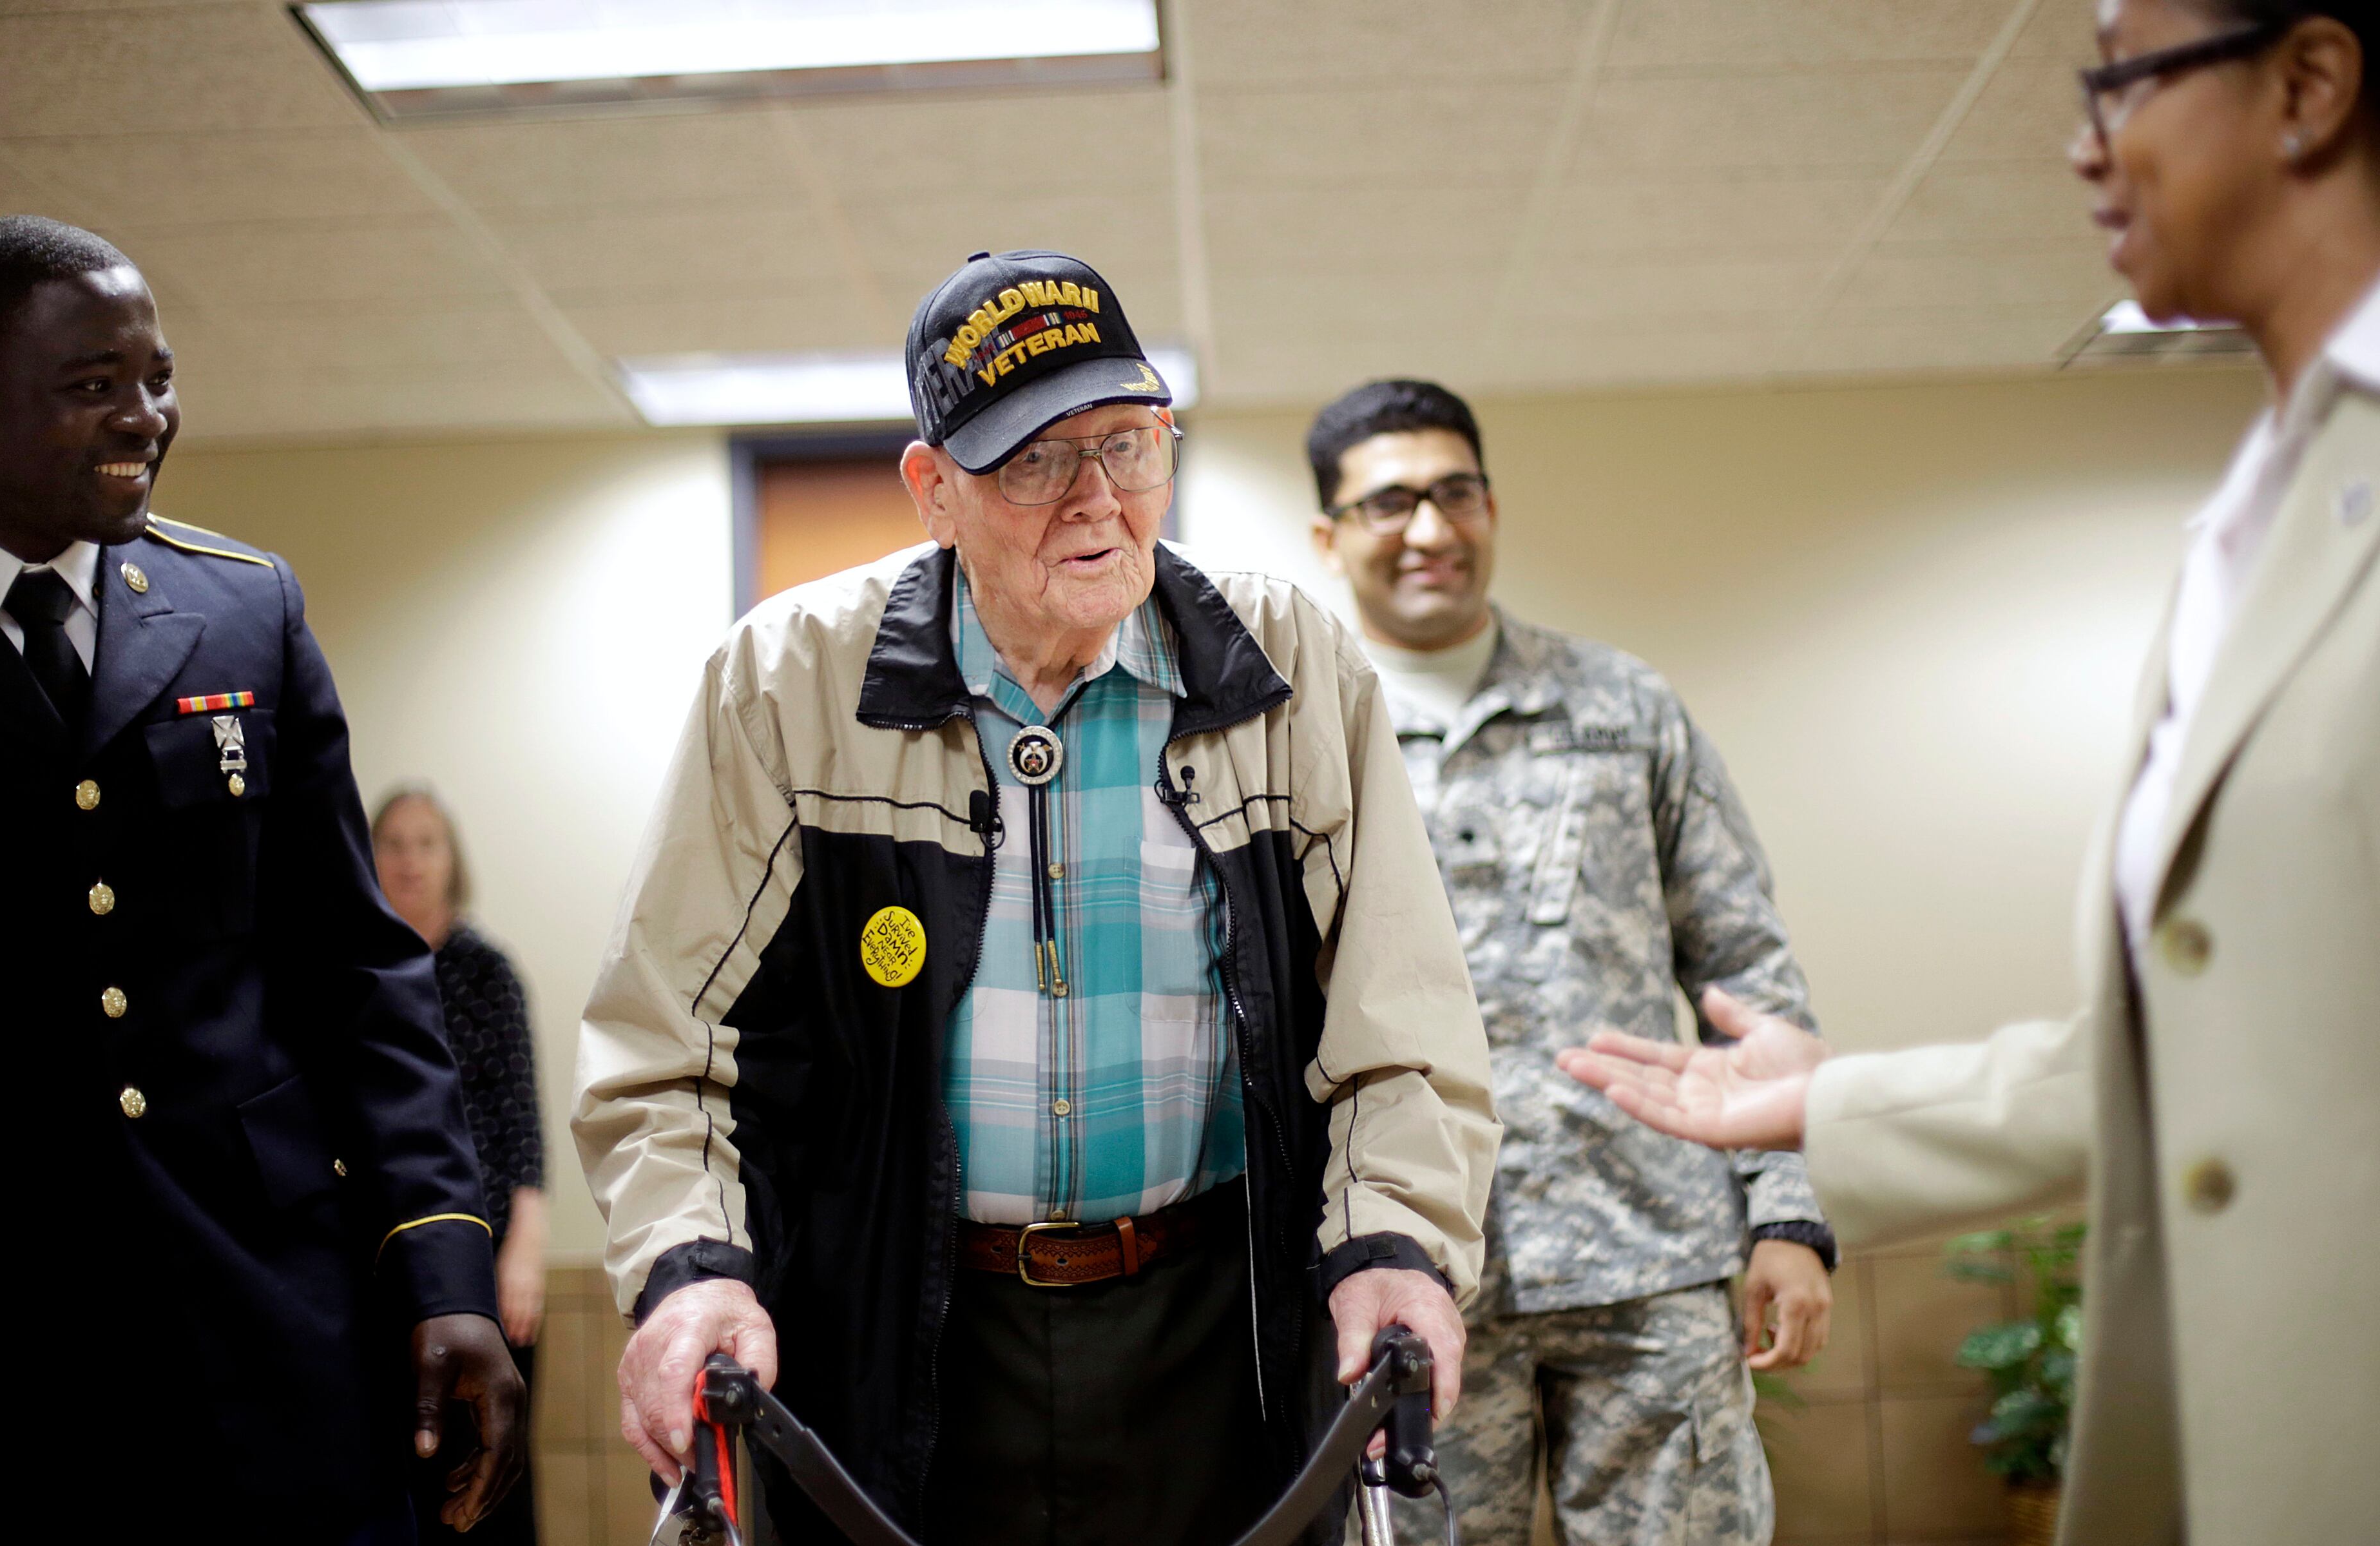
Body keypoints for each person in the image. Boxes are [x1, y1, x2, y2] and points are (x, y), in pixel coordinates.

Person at [1557, 5, 2379, 1543]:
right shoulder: (2254, 513)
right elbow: (2207, 1041)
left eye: (2117, 78)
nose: (2078, 143)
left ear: (2308, 83)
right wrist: (1829, 1104)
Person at [573, 249, 1499, 1546]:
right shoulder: (784, 685)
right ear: (933, 489)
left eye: (1128, 444)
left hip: (1213, 1329)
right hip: (908, 1329)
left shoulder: (1289, 665)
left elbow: (1400, 1020)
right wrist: (690, 1269)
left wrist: (1396, 1239)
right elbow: (666, 1057)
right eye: (1035, 462)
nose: (1099, 502)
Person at [0, 215, 524, 1540]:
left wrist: (445, 1264)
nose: (146, 418)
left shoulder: (244, 606)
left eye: (158, 377)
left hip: (265, 1312)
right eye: (92, 387)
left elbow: (361, 970)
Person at [1303, 379, 1837, 1546]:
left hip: (1649, 1255)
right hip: (1417, 1270)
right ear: (1328, 535)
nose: (1432, 529)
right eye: (1391, 502)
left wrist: (1790, 1213)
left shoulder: (1623, 705)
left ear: (1491, 505)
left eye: (1456, 493)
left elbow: (1748, 967)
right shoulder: (1304, 733)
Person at [374, 786, 548, 1545]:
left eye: (427, 842)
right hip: (388, 1267)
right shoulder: (360, 972)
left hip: (488, 1263)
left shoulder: (487, 973)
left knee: (495, 1472)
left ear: (453, 861)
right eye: (394, 842)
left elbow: (521, 1120)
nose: (409, 860)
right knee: (404, 1475)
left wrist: (525, 1251)